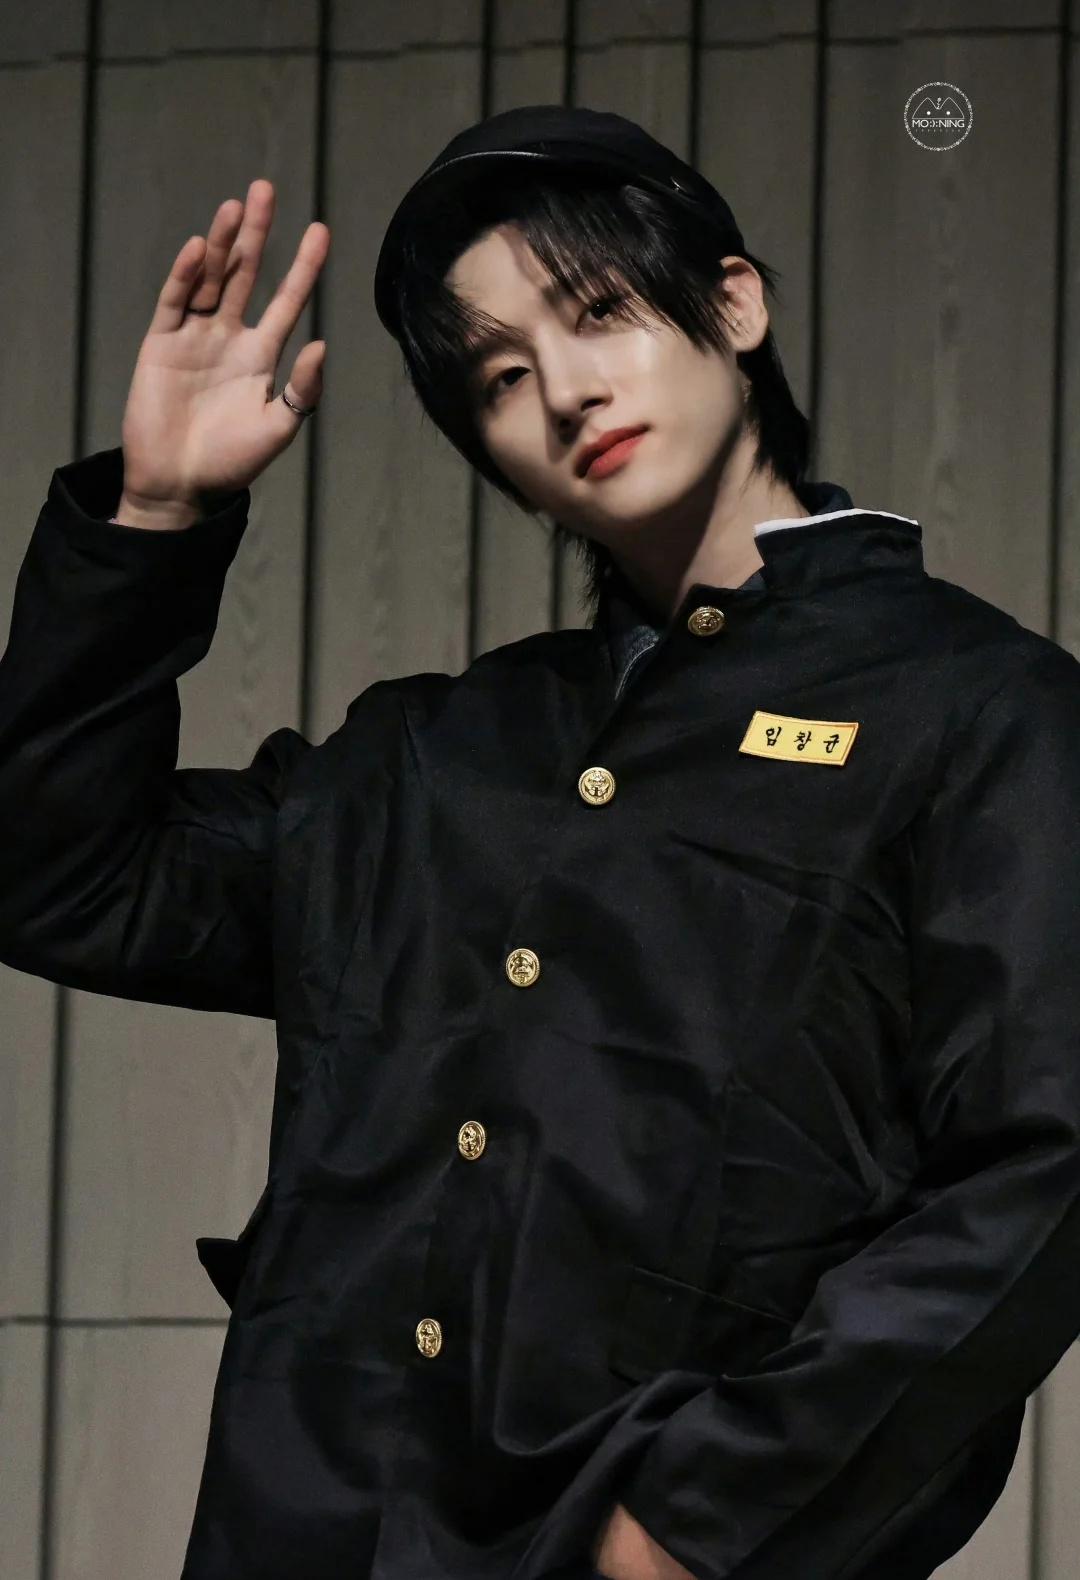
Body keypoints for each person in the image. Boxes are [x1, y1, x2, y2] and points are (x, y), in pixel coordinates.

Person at [2, 103, 1080, 1580]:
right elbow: (61, 878)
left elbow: (1042, 1171)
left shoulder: (977, 712)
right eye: (503, 378)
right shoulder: (434, 752)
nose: (567, 390)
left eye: (601, 311)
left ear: (734, 303)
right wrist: (154, 517)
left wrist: (703, 1521)